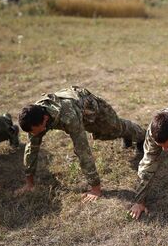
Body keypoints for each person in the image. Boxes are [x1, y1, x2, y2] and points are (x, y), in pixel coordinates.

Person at [17, 86, 145, 202]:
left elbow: (82, 150)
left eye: (35, 131)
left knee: (116, 128)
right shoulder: (33, 117)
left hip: (91, 107)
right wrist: (29, 183)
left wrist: (95, 188)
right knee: (109, 133)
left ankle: (143, 136)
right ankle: (127, 136)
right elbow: (31, 149)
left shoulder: (68, 116)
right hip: (77, 111)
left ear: (44, 119)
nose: (34, 134)